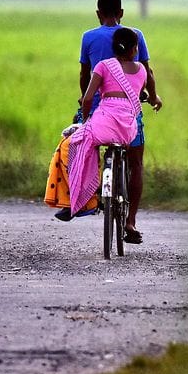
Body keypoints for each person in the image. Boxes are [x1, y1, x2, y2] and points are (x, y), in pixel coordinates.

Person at [75, 0, 162, 243]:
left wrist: (85, 103)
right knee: (136, 164)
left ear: (98, 14)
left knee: (86, 147)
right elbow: (148, 71)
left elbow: (84, 75)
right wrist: (153, 97)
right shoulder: (136, 36)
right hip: (129, 114)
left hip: (99, 112)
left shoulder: (89, 37)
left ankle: (85, 198)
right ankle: (131, 222)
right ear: (121, 13)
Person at [59, 27, 148, 240]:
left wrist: (85, 118)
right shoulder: (141, 71)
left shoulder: (103, 66)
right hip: (128, 129)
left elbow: (88, 98)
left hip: (102, 124)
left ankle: (81, 196)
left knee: (79, 144)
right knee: (136, 164)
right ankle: (130, 221)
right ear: (135, 49)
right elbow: (139, 91)